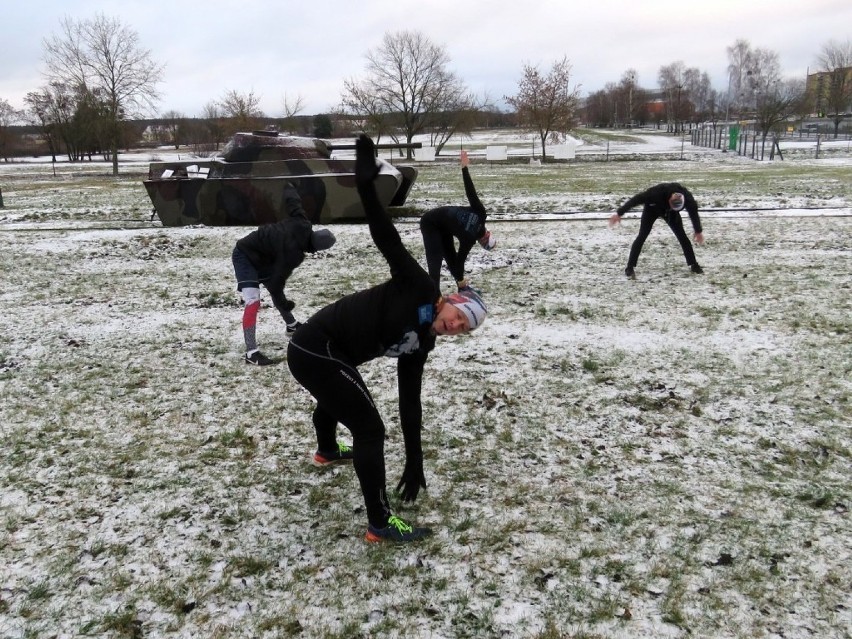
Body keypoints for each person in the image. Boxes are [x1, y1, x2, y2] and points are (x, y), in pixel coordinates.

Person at [287, 134, 488, 543]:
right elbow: (387, 238)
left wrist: (415, 458)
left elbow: (408, 399)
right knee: (369, 429)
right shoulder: (418, 286)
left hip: (328, 354)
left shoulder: (422, 343)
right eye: (458, 316)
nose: (455, 326)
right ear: (449, 300)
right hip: (314, 347)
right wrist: (365, 187)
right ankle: (380, 523)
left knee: (344, 393)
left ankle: (326, 450)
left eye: (463, 328)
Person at [232, 183, 336, 365]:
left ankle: (291, 326)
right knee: (253, 301)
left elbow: (294, 203)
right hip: (244, 254)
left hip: (263, 255)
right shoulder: (294, 255)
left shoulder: (302, 222)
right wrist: (285, 304)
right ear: (315, 249)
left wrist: (289, 186)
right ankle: (251, 353)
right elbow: (277, 283)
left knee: (273, 292)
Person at [419, 149, 496, 290]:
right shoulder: (470, 238)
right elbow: (471, 192)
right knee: (435, 261)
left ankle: (460, 287)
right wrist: (464, 168)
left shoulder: (481, 215)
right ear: (482, 242)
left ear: (488, 233)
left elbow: (470, 191)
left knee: (449, 256)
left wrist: (464, 168)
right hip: (430, 223)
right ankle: (434, 296)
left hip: (442, 226)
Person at [609, 182, 705, 279]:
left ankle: (694, 265)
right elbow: (635, 200)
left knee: (682, 236)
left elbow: (693, 213)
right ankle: (629, 267)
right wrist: (619, 213)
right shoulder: (654, 193)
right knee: (642, 236)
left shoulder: (688, 198)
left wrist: (698, 231)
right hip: (652, 208)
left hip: (670, 212)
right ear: (670, 199)